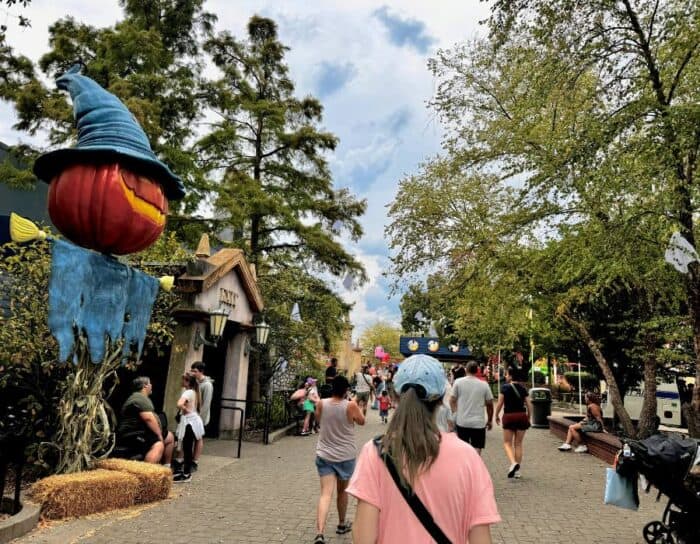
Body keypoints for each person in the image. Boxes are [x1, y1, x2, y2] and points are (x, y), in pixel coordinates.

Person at [347, 354, 500, 543]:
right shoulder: (469, 457)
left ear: (395, 396)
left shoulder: (375, 453)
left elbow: (363, 538)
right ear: (441, 397)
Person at [313, 375, 365, 544]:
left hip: (325, 454)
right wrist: (359, 407)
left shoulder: (322, 403)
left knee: (325, 494)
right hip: (345, 456)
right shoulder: (350, 405)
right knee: (342, 492)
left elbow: (317, 419)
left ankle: (320, 533)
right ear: (346, 390)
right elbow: (362, 421)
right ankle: (342, 524)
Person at [116, 376, 175, 465]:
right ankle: (145, 473)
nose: (151, 385)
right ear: (145, 386)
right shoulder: (139, 398)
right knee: (158, 444)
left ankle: (166, 468)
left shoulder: (139, 397)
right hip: (133, 434)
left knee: (169, 436)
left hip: (141, 432)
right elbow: (148, 419)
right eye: (150, 383)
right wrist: (159, 435)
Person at [494, 367, 532, 478]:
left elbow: (500, 403)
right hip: (521, 416)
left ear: (510, 376)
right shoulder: (523, 388)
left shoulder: (505, 387)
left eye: (506, 374)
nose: (505, 376)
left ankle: (513, 463)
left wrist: (496, 415)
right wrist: (528, 417)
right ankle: (517, 471)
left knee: (507, 443)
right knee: (518, 444)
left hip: (509, 416)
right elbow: (529, 405)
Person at [450, 361, 494, 455]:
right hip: (478, 423)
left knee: (462, 447)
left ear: (466, 370)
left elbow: (452, 400)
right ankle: (475, 465)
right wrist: (490, 420)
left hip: (462, 421)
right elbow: (490, 404)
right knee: (477, 447)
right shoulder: (484, 384)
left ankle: (464, 466)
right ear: (477, 370)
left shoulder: (458, 382)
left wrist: (455, 412)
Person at [174, 373, 205, 483]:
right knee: (188, 447)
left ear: (187, 381)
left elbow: (179, 404)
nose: (181, 382)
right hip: (193, 421)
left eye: (182, 380)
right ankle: (185, 472)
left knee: (187, 447)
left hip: (189, 423)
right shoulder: (194, 392)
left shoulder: (188, 392)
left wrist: (184, 410)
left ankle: (186, 474)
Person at [189, 361, 213, 471]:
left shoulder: (207, 385)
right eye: (192, 371)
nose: (193, 373)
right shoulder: (195, 382)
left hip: (199, 417)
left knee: (198, 438)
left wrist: (201, 420)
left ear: (201, 372)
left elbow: (206, 404)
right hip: (192, 415)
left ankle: (195, 461)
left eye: (195, 371)